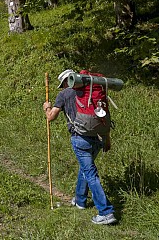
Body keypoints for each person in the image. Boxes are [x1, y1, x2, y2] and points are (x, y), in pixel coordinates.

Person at [43, 69, 117, 225]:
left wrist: (47, 108)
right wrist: (107, 139)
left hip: (80, 139)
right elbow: (101, 115)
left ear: (65, 82)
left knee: (90, 173)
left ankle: (106, 212)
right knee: (85, 169)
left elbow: (51, 117)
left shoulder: (64, 94)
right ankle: (80, 201)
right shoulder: (89, 90)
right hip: (97, 138)